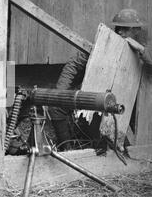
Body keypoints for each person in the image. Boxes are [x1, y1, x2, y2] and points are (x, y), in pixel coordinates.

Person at [49, 9, 151, 150]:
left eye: (125, 29)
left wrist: (141, 50)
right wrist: (60, 92)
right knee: (56, 108)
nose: (120, 32)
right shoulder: (105, 44)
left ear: (136, 30)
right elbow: (74, 64)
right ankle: (66, 149)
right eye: (118, 28)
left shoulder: (144, 49)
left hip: (130, 107)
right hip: (99, 98)